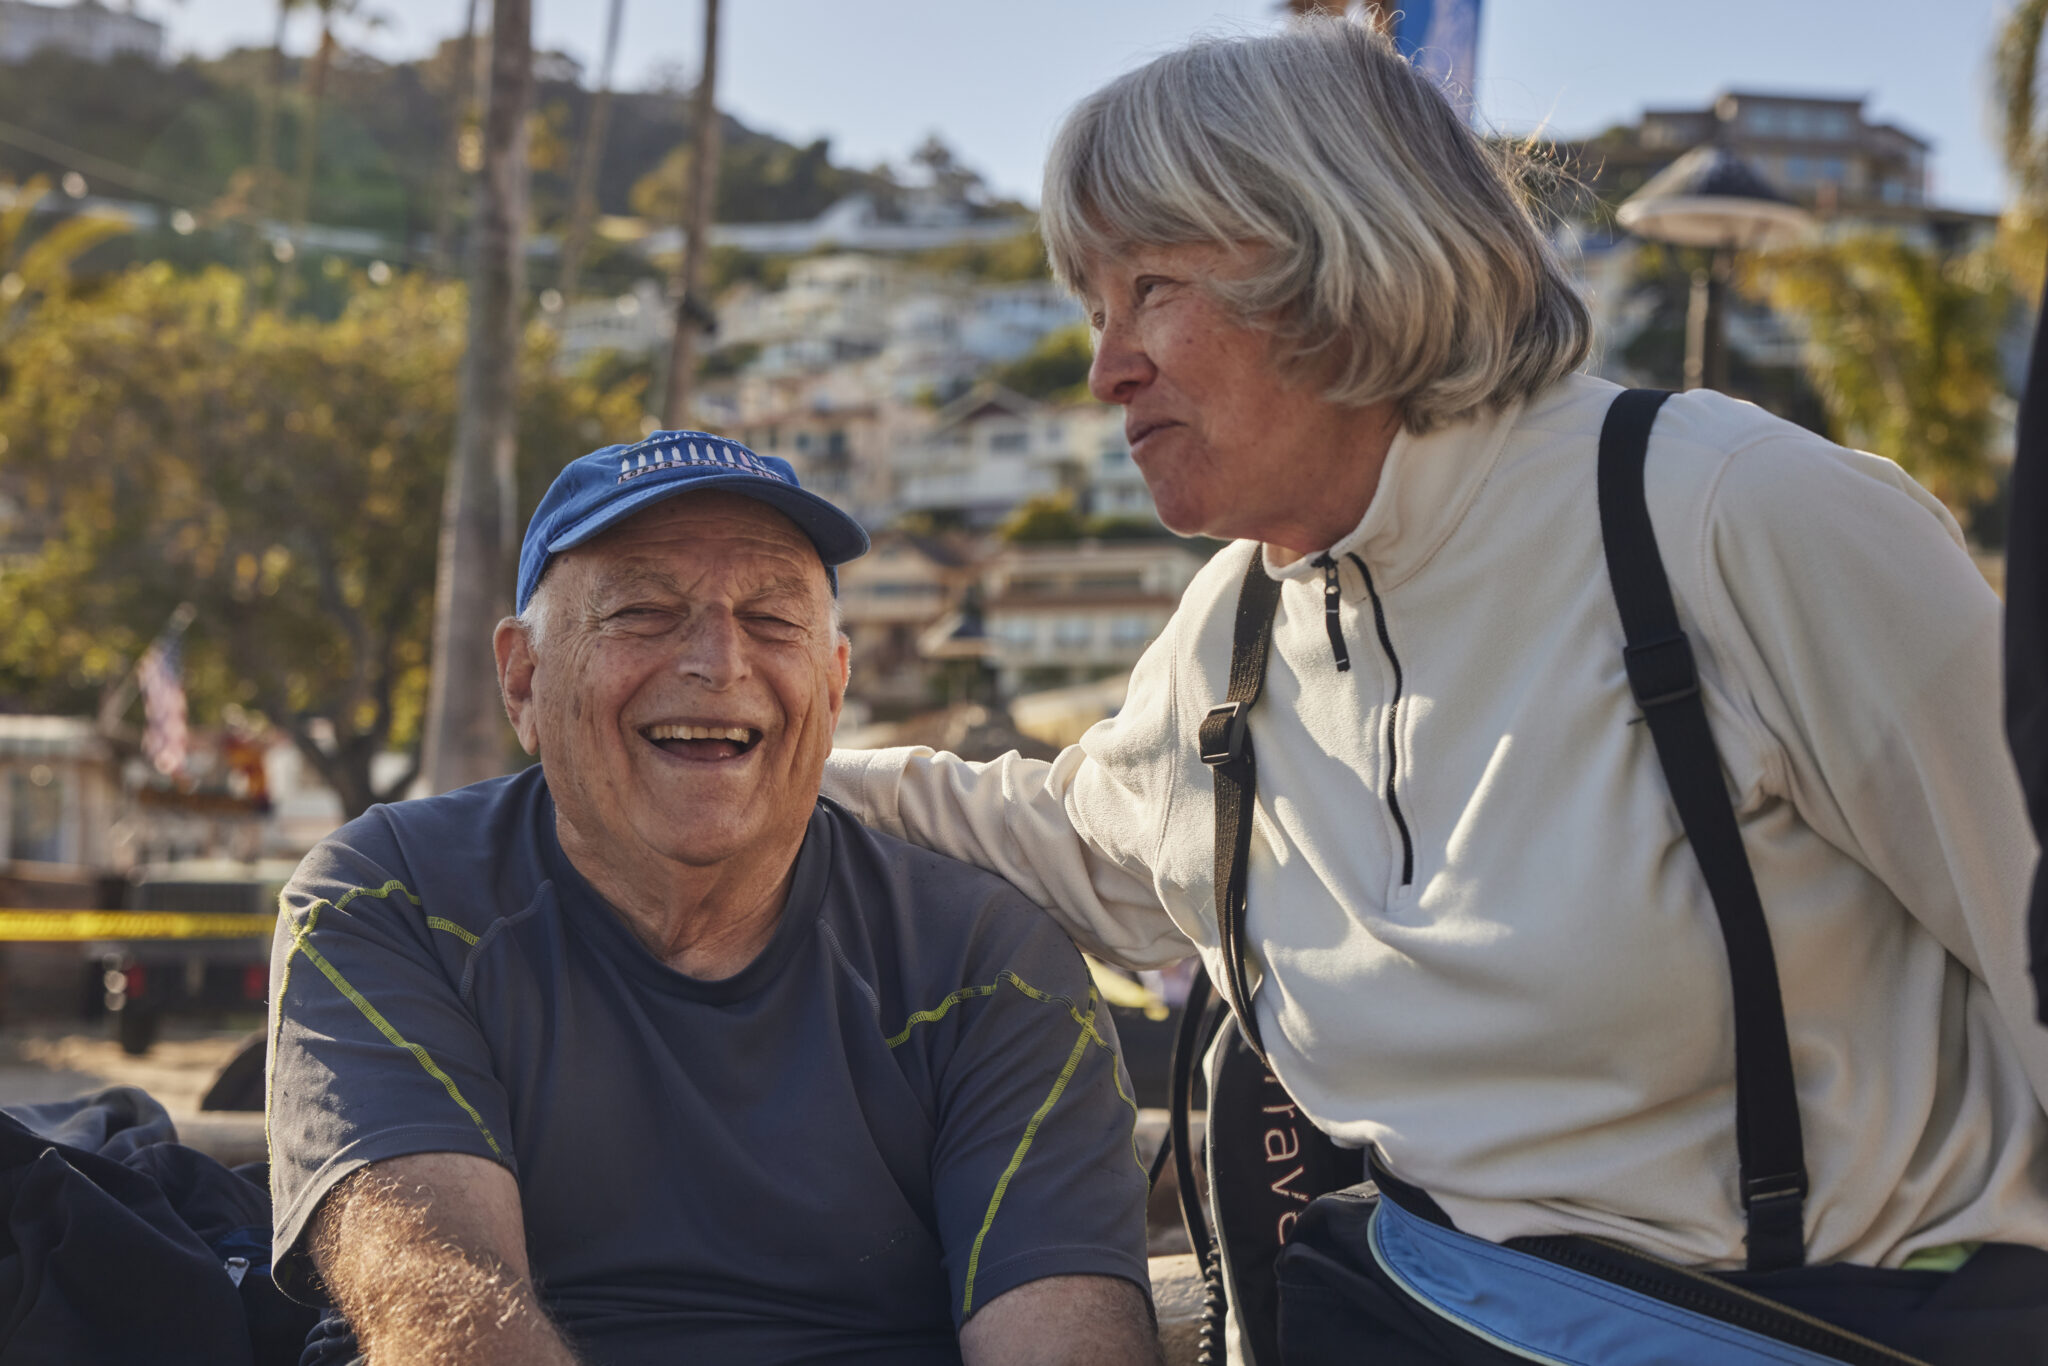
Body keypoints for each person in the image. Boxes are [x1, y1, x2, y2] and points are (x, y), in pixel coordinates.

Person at [821, 16, 2048, 1356]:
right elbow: (1056, 841)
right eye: (1092, 308)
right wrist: (737, 763)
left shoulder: (1723, 518)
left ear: (1338, 254)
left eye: (1152, 287)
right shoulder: (1239, 624)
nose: (1107, 365)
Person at [264, 434, 1160, 1366]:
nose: (719, 660)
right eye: (644, 611)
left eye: (773, 621)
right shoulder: (389, 899)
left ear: (833, 684)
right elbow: (444, 1313)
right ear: (523, 679)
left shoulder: (988, 962)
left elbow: (1063, 1339)